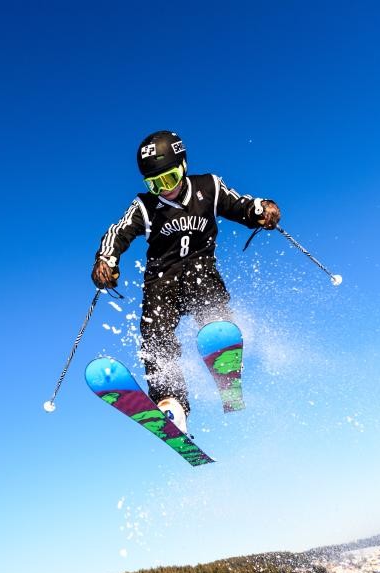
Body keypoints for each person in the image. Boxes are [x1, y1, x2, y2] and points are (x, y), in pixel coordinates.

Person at [90, 130, 280, 433]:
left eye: (170, 178)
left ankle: (223, 354)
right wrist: (106, 260)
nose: (164, 190)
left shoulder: (209, 187)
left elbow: (239, 205)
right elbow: (119, 232)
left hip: (200, 270)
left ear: (184, 165)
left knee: (208, 292)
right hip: (161, 282)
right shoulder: (144, 206)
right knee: (156, 336)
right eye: (155, 184)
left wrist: (260, 209)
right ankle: (170, 403)